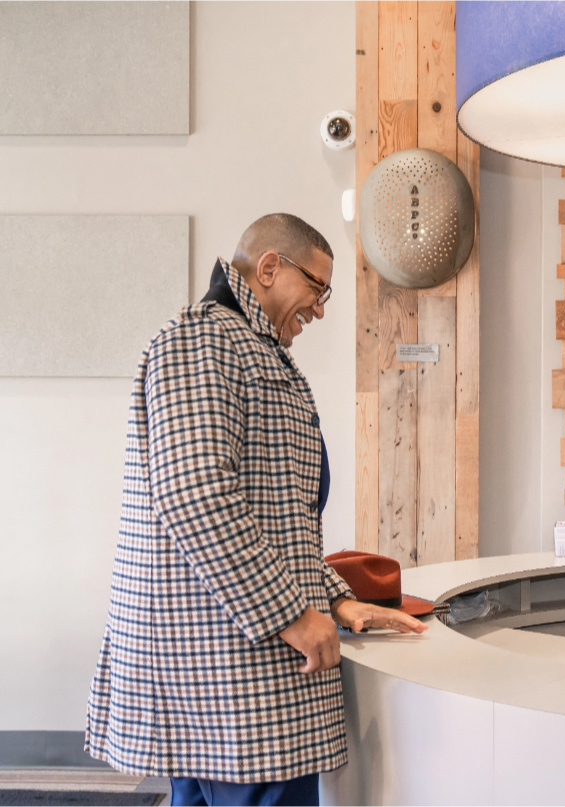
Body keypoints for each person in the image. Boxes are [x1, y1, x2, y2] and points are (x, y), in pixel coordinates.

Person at [86, 214, 427, 806]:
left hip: (229, 660)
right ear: (269, 267)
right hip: (229, 669)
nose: (320, 310)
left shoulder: (247, 346)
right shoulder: (205, 339)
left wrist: (340, 600)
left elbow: (281, 520)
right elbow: (197, 496)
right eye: (317, 289)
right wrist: (291, 616)